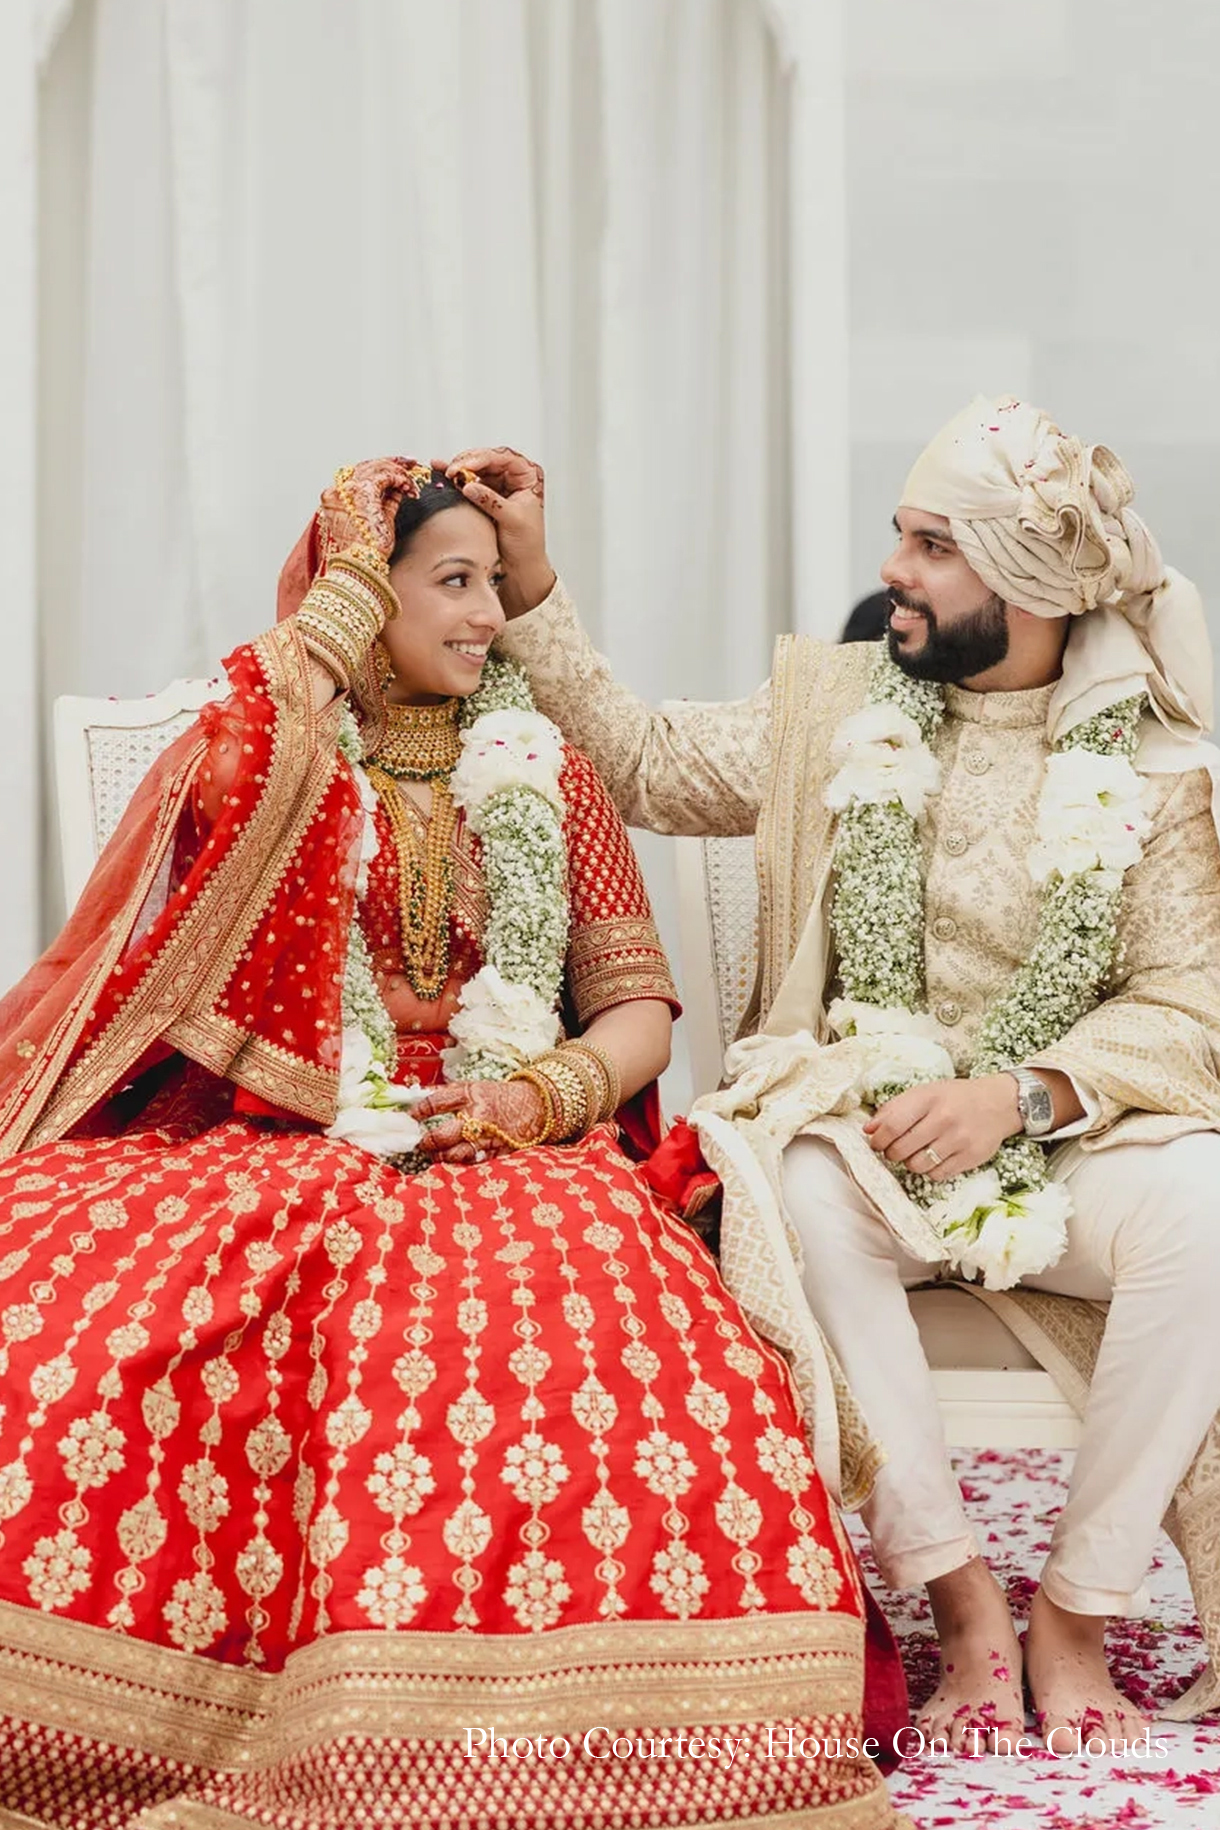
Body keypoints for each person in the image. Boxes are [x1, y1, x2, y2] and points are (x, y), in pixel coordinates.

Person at [0, 459, 906, 1829]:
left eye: (496, 581)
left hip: (520, 1144)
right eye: (453, 581)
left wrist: (529, 1097)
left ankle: (584, 1741)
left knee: (582, 1330)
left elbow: (640, 1014)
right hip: (289, 1132)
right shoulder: (278, 765)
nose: (489, 615)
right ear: (369, 592)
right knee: (91, 1305)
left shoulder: (546, 765)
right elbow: (202, 920)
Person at [451, 403, 1220, 1755]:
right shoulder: (839, 708)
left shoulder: (1152, 765)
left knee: (1209, 1198)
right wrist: (531, 581)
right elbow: (646, 761)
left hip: (1061, 1147)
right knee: (794, 1182)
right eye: (901, 535)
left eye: (934, 546)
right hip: (866, 1135)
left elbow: (1191, 1005)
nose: (899, 572)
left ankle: (1077, 1616)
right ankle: (967, 1601)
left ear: (1031, 586)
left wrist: (1025, 1094)